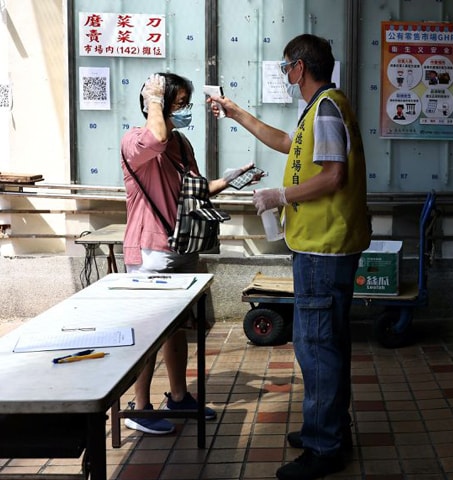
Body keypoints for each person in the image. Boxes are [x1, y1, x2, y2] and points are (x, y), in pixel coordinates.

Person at [209, 34, 370, 480]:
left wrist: (279, 194)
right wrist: (237, 113)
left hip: (324, 247)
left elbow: (334, 176)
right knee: (325, 343)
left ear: (300, 67)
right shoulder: (319, 109)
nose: (285, 75)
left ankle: (325, 446)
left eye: (286, 68)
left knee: (317, 348)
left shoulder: (327, 109)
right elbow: (285, 143)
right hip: (322, 246)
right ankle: (330, 428)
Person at [120, 72, 261, 435]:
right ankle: (139, 407)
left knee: (176, 329)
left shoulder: (182, 145)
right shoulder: (135, 141)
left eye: (184, 104)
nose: (184, 111)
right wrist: (154, 96)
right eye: (178, 104)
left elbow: (195, 194)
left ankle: (179, 397)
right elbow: (156, 136)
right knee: (149, 332)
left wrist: (228, 180)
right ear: (157, 104)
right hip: (150, 251)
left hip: (182, 248)